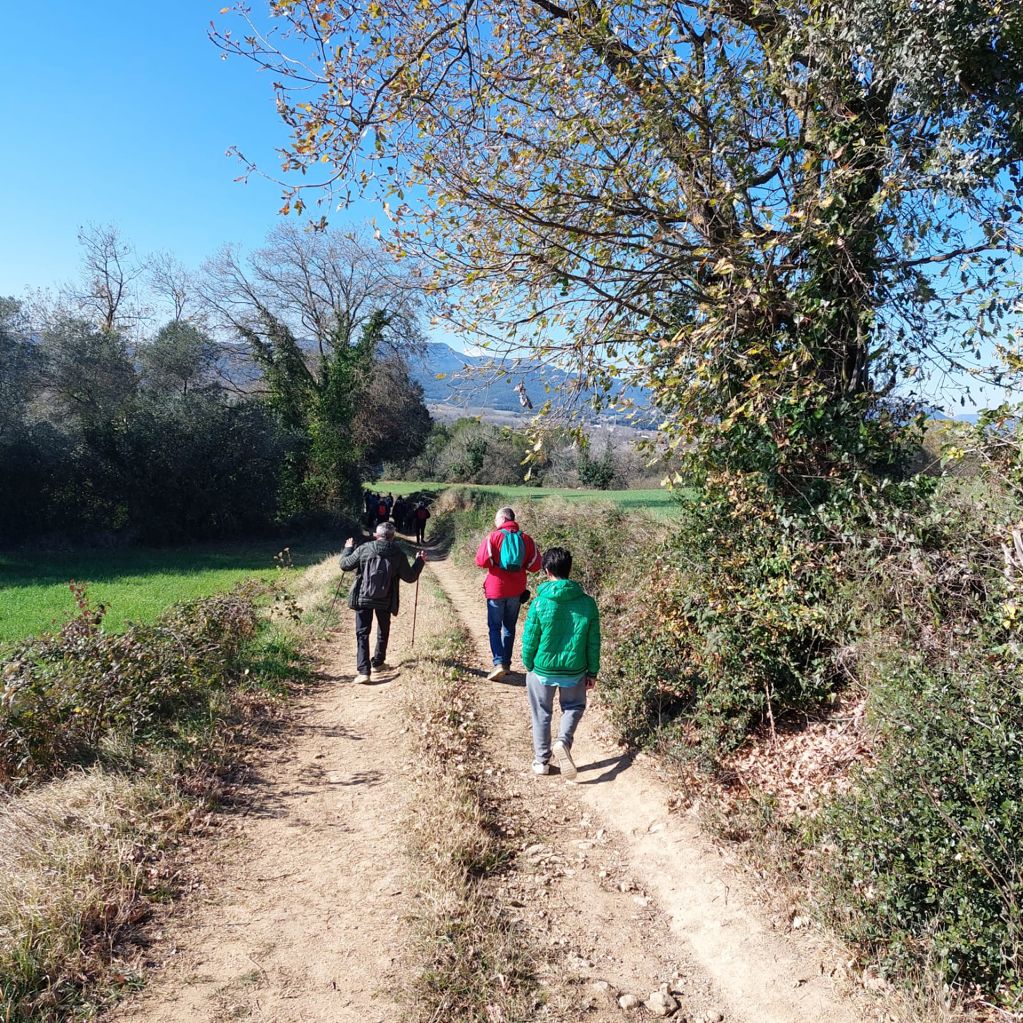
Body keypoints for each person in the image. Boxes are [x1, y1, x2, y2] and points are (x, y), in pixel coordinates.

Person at [520, 546, 600, 780]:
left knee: (541, 713)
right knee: (574, 707)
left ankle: (541, 762)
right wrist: (592, 671)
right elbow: (593, 642)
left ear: (547, 571)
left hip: (542, 668)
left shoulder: (539, 603)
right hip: (575, 669)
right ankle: (563, 742)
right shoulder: (588, 603)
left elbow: (530, 638)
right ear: (569, 569)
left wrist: (528, 665)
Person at [340, 521, 426, 684]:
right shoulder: (398, 553)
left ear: (376, 535)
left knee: (362, 633)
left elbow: (345, 565)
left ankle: (364, 672)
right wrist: (419, 561)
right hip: (386, 598)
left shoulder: (364, 549)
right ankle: (378, 662)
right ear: (393, 537)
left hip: (363, 597)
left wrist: (348, 548)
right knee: (383, 629)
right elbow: (410, 577)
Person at [475, 506, 541, 681]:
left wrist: (495, 562)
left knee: (494, 627)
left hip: (496, 589)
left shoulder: (493, 537)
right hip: (517, 590)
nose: (495, 522)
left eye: (496, 519)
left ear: (503, 519)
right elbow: (535, 566)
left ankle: (498, 664)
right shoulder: (526, 539)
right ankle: (506, 663)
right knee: (509, 627)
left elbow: (481, 561)